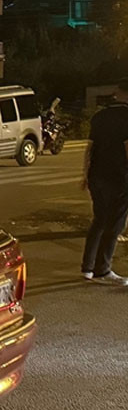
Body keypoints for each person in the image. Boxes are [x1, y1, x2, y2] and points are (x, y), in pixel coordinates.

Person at [81, 78, 128, 284]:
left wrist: (85, 175)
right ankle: (103, 269)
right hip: (119, 178)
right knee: (115, 224)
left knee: (99, 220)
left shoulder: (99, 116)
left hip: (96, 177)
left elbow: (89, 148)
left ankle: (87, 268)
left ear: (118, 92)